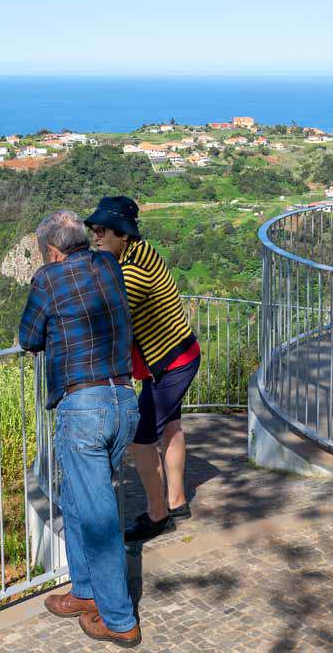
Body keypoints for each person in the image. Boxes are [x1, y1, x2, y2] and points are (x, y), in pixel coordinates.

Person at [16, 209, 143, 647]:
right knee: (75, 497)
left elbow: (29, 337)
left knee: (99, 516)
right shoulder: (107, 264)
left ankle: (119, 619)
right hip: (124, 401)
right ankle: (85, 591)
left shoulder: (47, 280)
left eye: (42, 253)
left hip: (84, 408)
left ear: (51, 251)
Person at [84, 196, 199, 544]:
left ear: (123, 234)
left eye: (103, 230)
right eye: (93, 229)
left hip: (169, 364)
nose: (96, 236)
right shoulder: (138, 253)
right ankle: (177, 502)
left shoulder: (135, 271)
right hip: (177, 356)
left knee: (140, 438)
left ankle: (157, 514)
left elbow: (111, 317)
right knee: (171, 427)